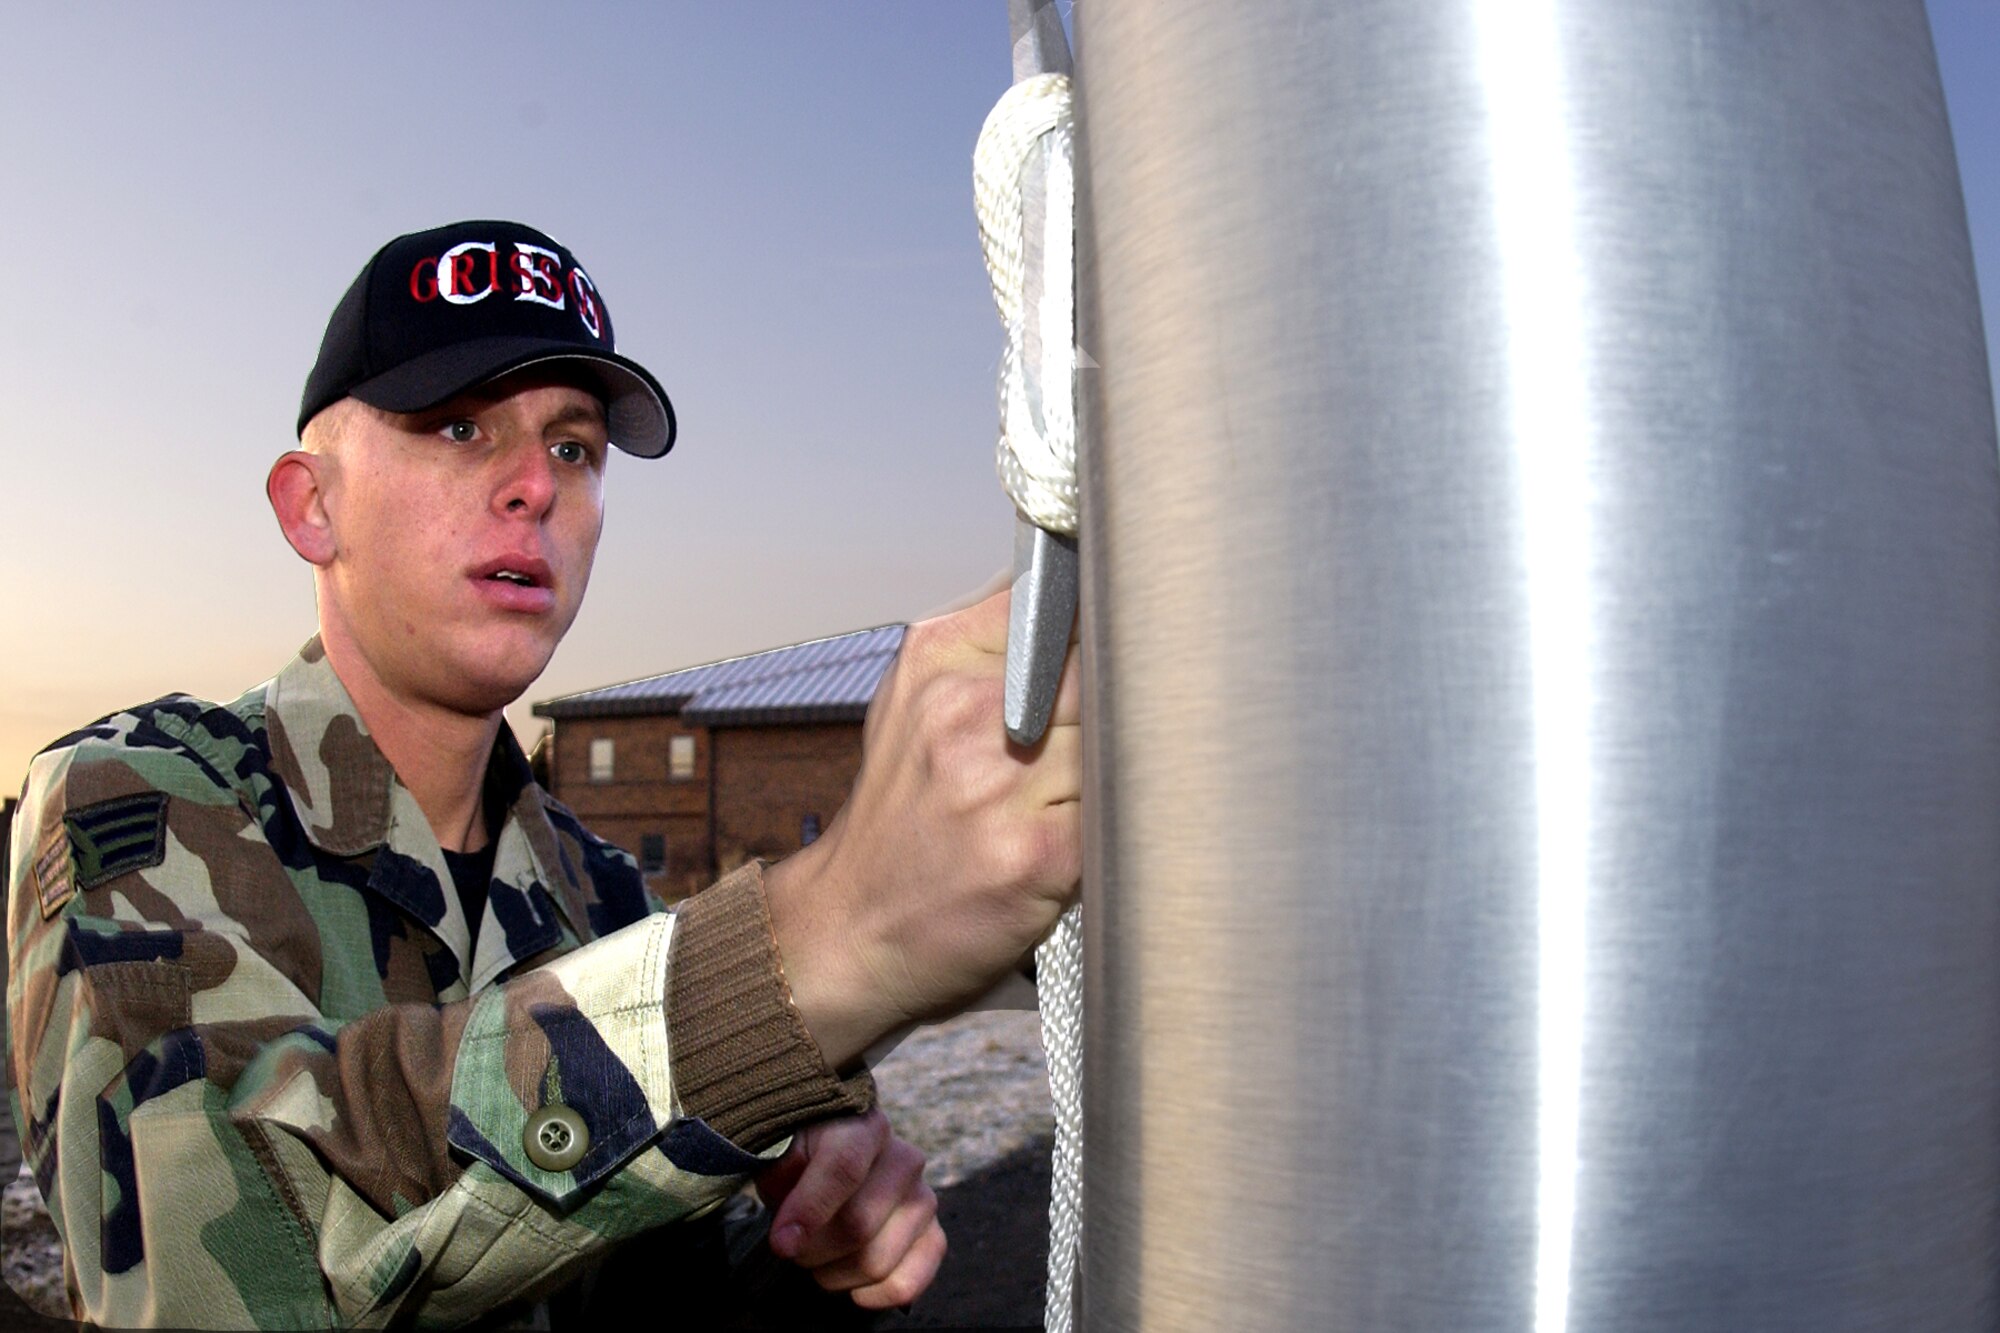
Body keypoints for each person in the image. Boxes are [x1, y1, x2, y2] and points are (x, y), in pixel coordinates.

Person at [4, 221, 1080, 1329]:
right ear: (310, 506)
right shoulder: (140, 798)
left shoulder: (601, 892)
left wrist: (811, 1256)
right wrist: (821, 942)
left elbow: (651, 1298)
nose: (533, 484)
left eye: (572, 448)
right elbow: (225, 1272)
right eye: (460, 425)